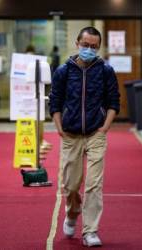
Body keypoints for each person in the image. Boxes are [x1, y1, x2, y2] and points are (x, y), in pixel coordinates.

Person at [49, 27, 120, 247]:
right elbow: (55, 101)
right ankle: (72, 212)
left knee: (94, 184)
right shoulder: (63, 71)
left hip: (95, 133)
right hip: (70, 134)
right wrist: (59, 127)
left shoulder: (105, 70)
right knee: (70, 185)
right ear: (77, 42)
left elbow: (113, 102)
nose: (88, 49)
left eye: (93, 46)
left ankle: (90, 231)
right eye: (85, 44)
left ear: (98, 47)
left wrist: (105, 128)